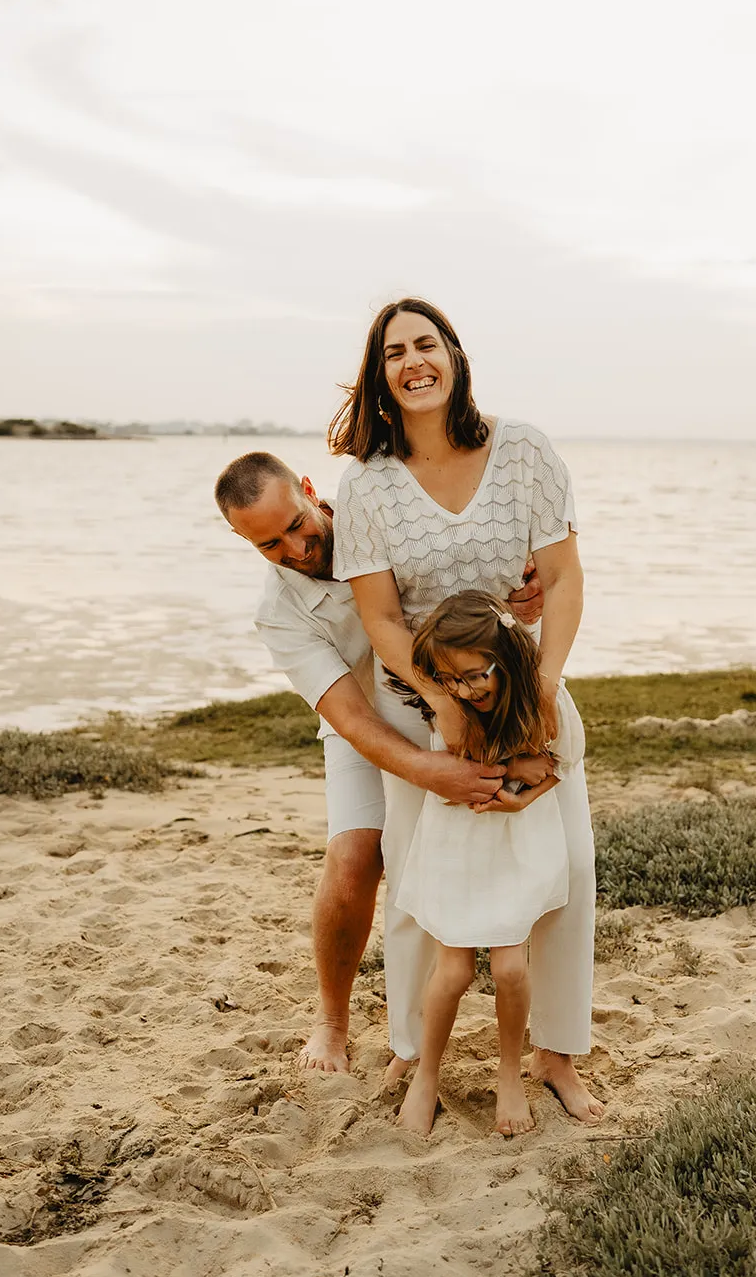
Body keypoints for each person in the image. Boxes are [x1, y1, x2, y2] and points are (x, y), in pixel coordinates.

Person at [331, 296, 604, 1124]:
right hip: (420, 700)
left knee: (565, 871)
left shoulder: (522, 449)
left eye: (426, 344)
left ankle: (556, 1053)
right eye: (393, 353)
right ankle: (413, 1050)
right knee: (420, 879)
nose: (413, 361)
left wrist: (544, 686)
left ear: (453, 354)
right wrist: (441, 701)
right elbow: (380, 618)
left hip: (523, 692)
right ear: (379, 376)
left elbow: (561, 579)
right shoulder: (366, 483)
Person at [213, 451, 542, 1075]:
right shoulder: (278, 611)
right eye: (269, 545)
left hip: (455, 702)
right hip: (361, 724)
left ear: (309, 489)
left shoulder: (385, 514)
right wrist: (426, 770)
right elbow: (348, 716)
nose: (295, 549)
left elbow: (470, 566)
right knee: (356, 855)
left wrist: (523, 590)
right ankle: (332, 1020)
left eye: (296, 525)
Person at [394, 590, 586, 1136]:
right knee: (453, 971)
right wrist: (514, 768)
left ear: (507, 657)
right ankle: (426, 1075)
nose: (464, 690)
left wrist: (525, 795)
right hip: (456, 847)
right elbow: (460, 770)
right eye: (450, 679)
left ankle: (509, 1074)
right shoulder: (452, 710)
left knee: (510, 968)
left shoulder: (545, 700)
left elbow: (564, 762)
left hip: (513, 849)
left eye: (475, 676)